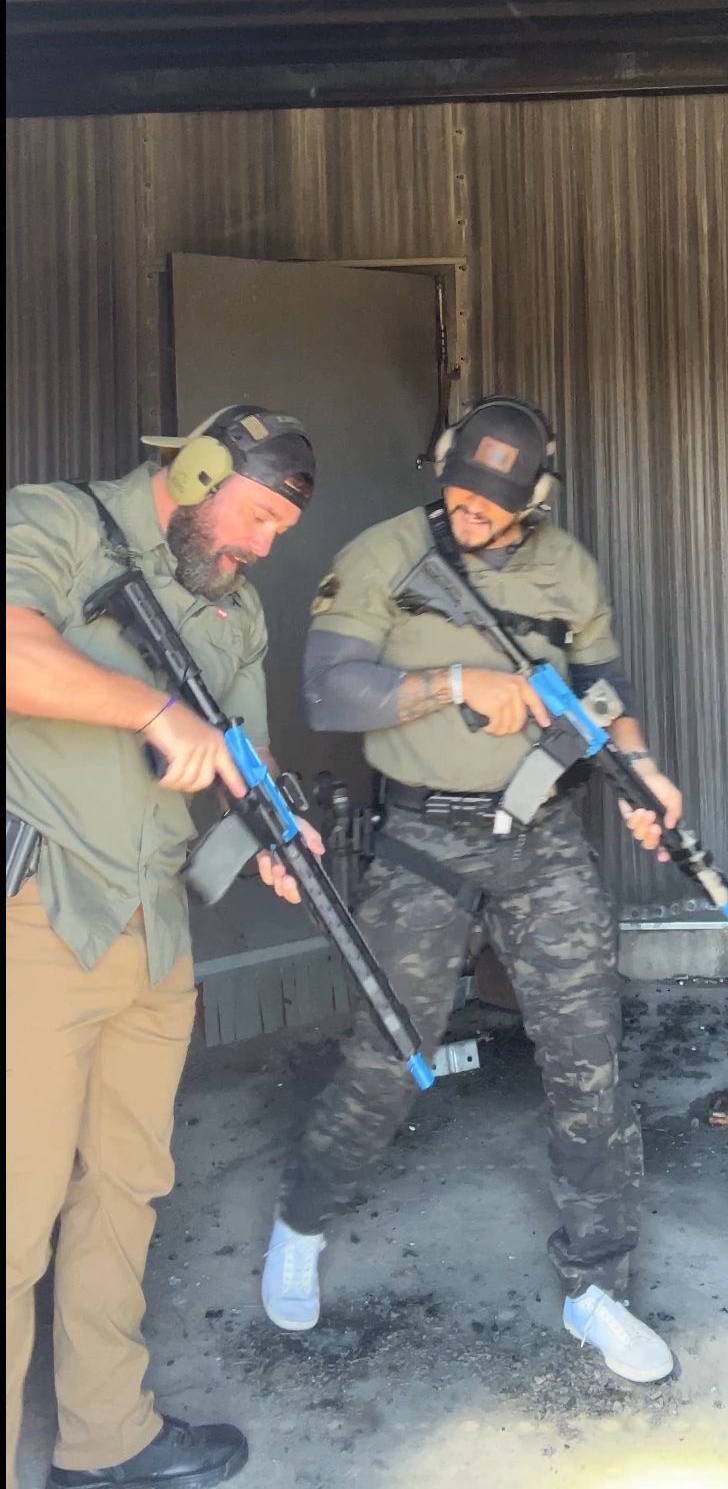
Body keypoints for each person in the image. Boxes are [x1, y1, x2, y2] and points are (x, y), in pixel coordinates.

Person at [261, 397, 685, 1384]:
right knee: (388, 1053)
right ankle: (302, 1221)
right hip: (424, 829)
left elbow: (604, 691)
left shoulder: (567, 567)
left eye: (492, 504)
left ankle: (597, 1284)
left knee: (590, 1058)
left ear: (533, 497)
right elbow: (327, 691)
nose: (469, 512)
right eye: (456, 492)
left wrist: (643, 770)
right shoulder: (383, 555)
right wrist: (452, 682)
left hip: (543, 829)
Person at [6, 405, 324, 1489]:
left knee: (126, 1187)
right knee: (10, 1218)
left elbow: (239, 751)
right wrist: (149, 709)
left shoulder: (231, 603)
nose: (261, 545)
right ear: (195, 470)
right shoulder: (54, 523)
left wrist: (276, 825)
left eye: (279, 529)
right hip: (37, 915)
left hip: (154, 931)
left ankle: (106, 1437)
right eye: (255, 515)